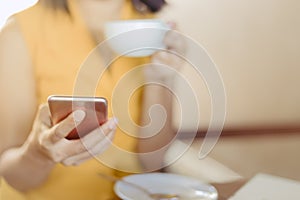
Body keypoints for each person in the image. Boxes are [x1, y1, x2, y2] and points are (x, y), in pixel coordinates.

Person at [0, 0, 185, 199]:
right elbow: (15, 177)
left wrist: (160, 78)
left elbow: (152, 162)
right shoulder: (20, 31)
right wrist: (40, 154)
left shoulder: (152, 30)